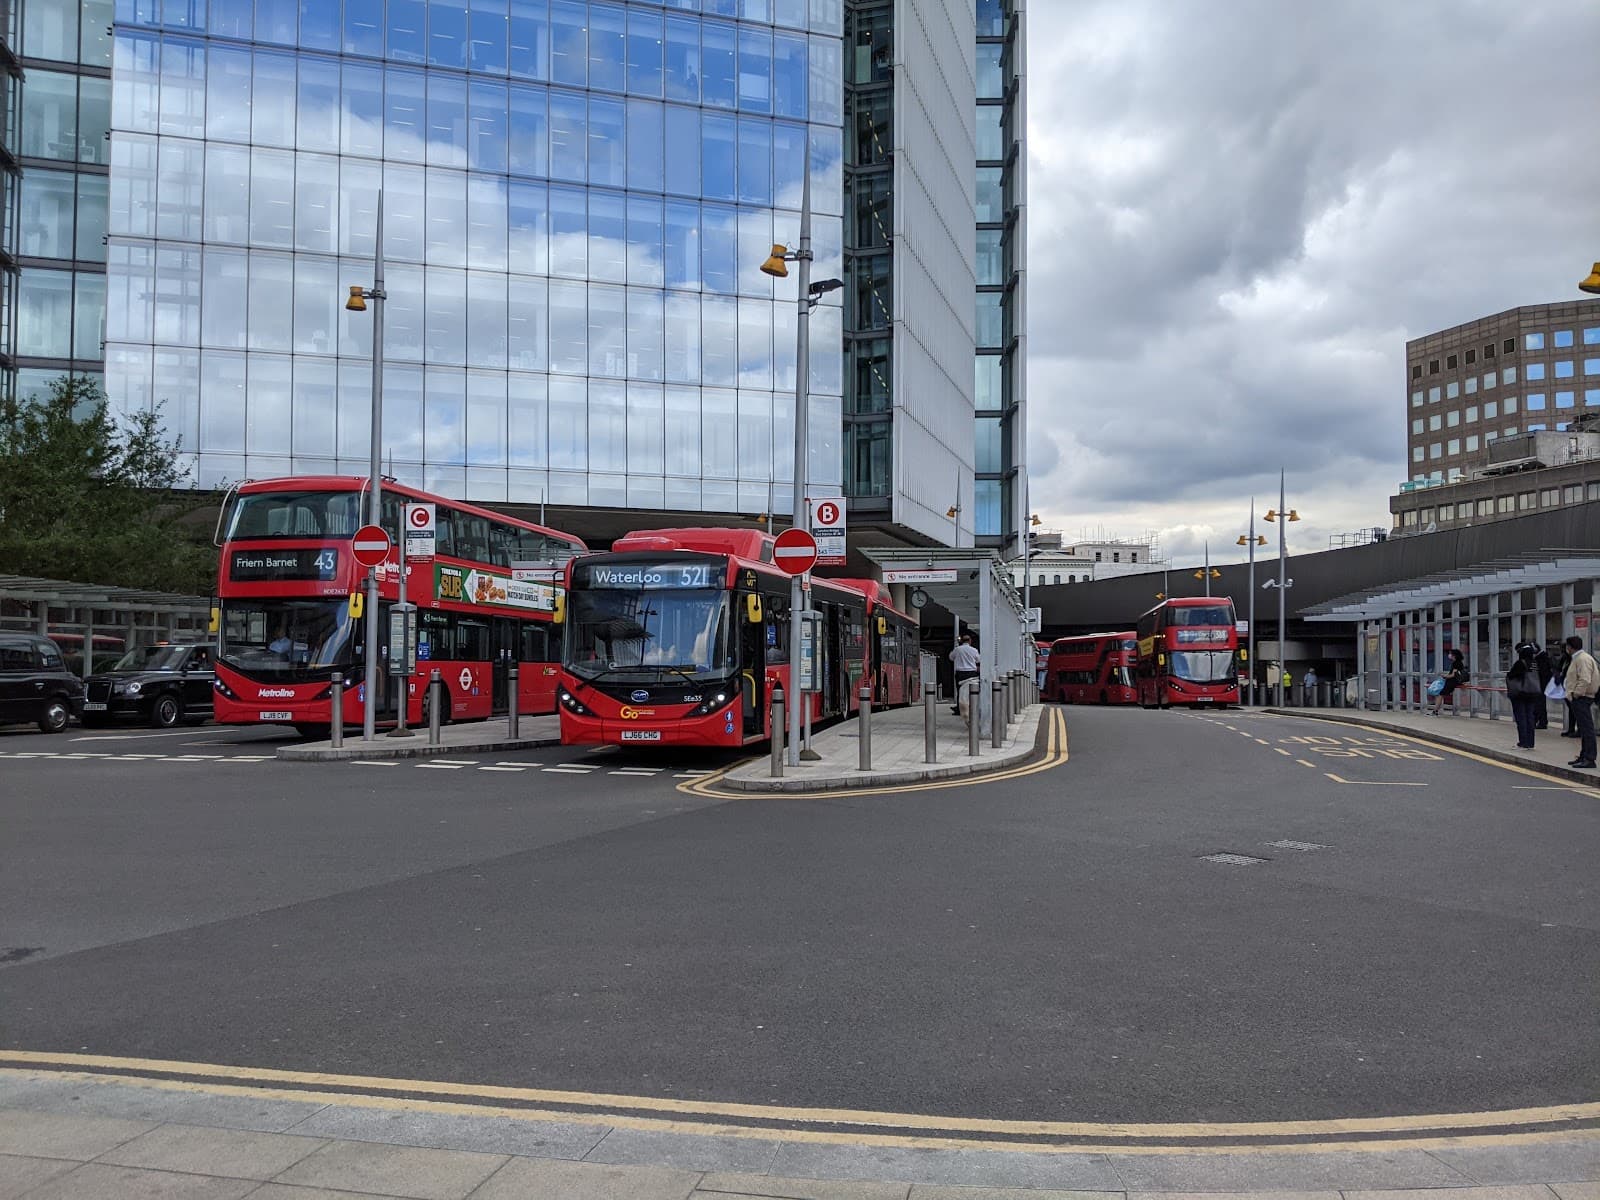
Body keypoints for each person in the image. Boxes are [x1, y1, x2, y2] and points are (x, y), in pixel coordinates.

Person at [1562, 635, 1597, 769]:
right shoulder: (1579, 658)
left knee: (1587, 729)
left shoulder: (1582, 659)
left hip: (1582, 697)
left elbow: (1585, 679)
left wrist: (1576, 694)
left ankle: (1590, 758)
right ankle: (1584, 756)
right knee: (1583, 728)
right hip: (1580, 697)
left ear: (1570, 647)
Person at [1505, 643, 1541, 751]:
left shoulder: (1521, 663)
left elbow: (1511, 675)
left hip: (1520, 694)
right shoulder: (1534, 663)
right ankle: (1530, 743)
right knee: (1530, 717)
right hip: (1532, 693)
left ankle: (1523, 742)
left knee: (1521, 718)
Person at [1427, 648, 1467, 715]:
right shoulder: (1457, 663)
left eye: (1451, 654)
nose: (1449, 655)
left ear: (1454, 655)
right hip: (1453, 681)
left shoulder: (1456, 663)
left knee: (1440, 694)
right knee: (1440, 694)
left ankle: (1435, 711)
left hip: (1452, 682)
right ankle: (1435, 711)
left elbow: (1453, 675)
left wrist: (1445, 676)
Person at [949, 632, 980, 715]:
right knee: (972, 690)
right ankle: (972, 706)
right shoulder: (974, 650)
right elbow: (978, 660)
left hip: (960, 674)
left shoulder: (957, 649)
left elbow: (951, 657)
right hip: (972, 673)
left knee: (960, 691)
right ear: (970, 641)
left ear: (962, 641)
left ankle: (960, 708)